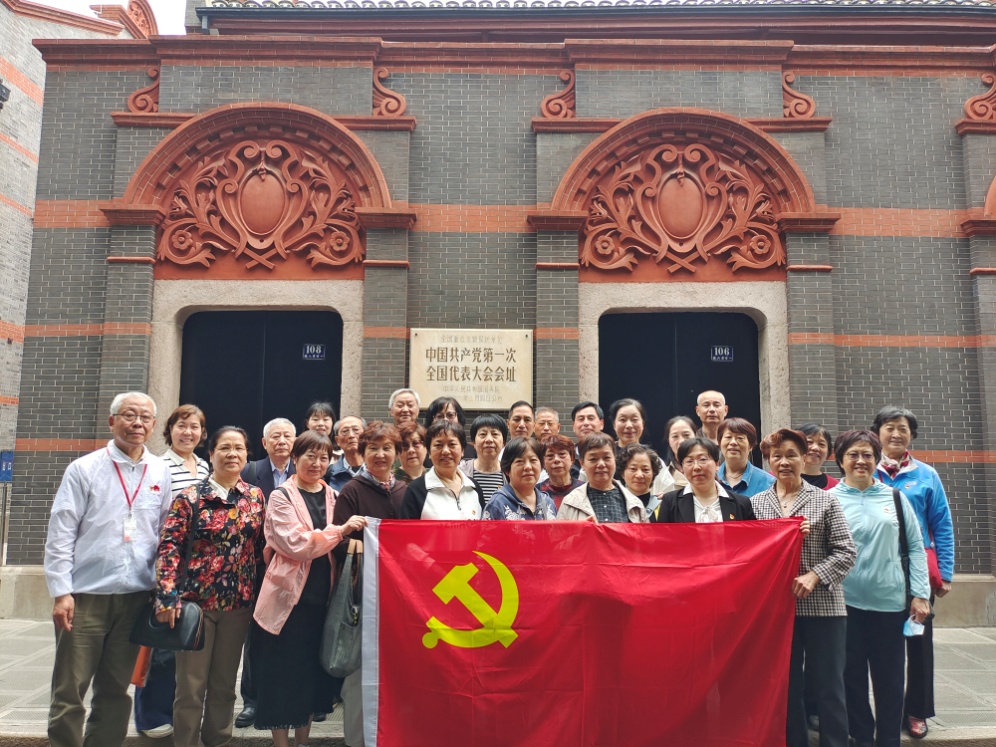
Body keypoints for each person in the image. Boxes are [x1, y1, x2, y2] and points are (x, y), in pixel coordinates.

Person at [45, 392, 172, 747]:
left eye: (145, 418)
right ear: (112, 421)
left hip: (135, 598)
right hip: (85, 598)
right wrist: (61, 592)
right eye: (129, 415)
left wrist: (164, 589)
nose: (137, 423)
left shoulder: (159, 471)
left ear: (153, 425)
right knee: (70, 690)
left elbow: (166, 533)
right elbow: (61, 532)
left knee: (116, 690)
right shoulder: (84, 469)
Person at [253, 430, 367, 747]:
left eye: (323, 457)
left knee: (309, 679)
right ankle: (281, 744)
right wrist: (339, 531)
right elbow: (296, 544)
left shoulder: (334, 497)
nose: (317, 463)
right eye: (310, 456)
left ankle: (302, 741)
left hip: (323, 602)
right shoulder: (281, 496)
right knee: (281, 678)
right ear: (295, 458)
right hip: (286, 604)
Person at [155, 426, 265, 747]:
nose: (232, 454)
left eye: (239, 448)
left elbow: (260, 549)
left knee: (224, 685)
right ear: (211, 454)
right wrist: (167, 597)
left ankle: (218, 739)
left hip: (238, 606)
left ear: (246, 454)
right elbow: (169, 548)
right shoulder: (190, 498)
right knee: (191, 687)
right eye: (225, 448)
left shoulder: (255, 497)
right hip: (195, 607)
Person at [752, 429, 856, 747]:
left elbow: (846, 551)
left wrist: (815, 575)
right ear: (768, 462)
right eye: (777, 456)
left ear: (803, 458)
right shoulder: (756, 504)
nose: (784, 462)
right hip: (779, 611)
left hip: (824, 608)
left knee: (829, 686)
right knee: (787, 686)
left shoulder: (825, 500)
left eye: (791, 455)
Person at [831, 430, 931, 747]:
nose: (860, 461)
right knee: (851, 678)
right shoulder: (830, 499)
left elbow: (915, 547)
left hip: (889, 603)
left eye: (868, 455)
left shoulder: (895, 498)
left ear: (876, 459)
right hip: (843, 604)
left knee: (890, 679)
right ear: (840, 460)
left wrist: (920, 594)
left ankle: (888, 738)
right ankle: (862, 736)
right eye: (853, 454)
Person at [872, 406, 954, 740]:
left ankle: (917, 710)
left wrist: (945, 573)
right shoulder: (865, 469)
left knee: (918, 643)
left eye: (903, 429)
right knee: (880, 644)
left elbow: (942, 524)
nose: (895, 434)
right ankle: (886, 710)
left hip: (916, 571)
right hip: (875, 570)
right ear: (877, 432)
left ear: (911, 436)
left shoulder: (926, 475)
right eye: (889, 427)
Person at [135, 404, 210, 740]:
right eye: (181, 425)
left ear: (202, 433)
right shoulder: (159, 466)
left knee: (186, 638)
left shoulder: (205, 467)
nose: (188, 432)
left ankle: (179, 710)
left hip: (198, 568)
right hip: (168, 562)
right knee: (160, 641)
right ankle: (150, 714)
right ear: (169, 430)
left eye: (194, 427)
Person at [333, 421, 408, 747]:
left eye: (387, 448)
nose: (380, 454)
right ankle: (355, 740)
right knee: (359, 673)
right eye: (373, 448)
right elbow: (338, 543)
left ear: (397, 453)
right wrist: (367, 548)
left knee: (396, 672)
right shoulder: (352, 491)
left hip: (400, 598)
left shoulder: (405, 491)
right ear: (363, 453)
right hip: (363, 596)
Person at [235, 416, 297, 730]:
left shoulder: (304, 470)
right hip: (259, 568)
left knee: (292, 634)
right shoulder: (249, 471)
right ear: (264, 442)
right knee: (257, 635)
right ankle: (252, 700)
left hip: (295, 568)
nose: (281, 441)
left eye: (287, 436)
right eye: (275, 436)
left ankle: (290, 698)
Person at [653, 436, 755, 523]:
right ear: (682, 467)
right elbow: (663, 538)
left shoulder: (741, 503)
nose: (696, 467)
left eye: (702, 459)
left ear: (717, 464)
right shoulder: (670, 502)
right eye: (689, 461)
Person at [400, 420, 486, 519]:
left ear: (462, 450)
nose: (445, 451)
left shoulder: (474, 488)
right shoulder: (416, 490)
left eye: (452, 444)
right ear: (429, 452)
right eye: (438, 445)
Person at [558, 432, 647, 523]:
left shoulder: (635, 504)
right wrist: (579, 530)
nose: (601, 464)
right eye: (593, 459)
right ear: (582, 463)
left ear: (614, 459)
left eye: (606, 457)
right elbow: (558, 532)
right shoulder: (570, 502)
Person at [608, 398, 675, 496]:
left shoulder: (653, 459)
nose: (629, 425)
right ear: (614, 424)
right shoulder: (606, 457)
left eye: (634, 420)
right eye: (623, 420)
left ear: (642, 424)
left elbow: (668, 491)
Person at [485, 437, 557, 520]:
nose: (528, 467)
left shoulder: (548, 502)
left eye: (533, 460)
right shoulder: (497, 504)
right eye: (520, 461)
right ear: (507, 469)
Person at [716, 417, 775, 496]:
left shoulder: (768, 482)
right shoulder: (710, 479)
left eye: (740, 438)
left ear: (750, 446)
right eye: (728, 437)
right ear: (719, 443)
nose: (733, 442)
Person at [459, 414, 508, 503]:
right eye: (483, 434)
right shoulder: (460, 472)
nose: (489, 439)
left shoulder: (510, 473)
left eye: (495, 434)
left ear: (503, 443)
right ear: (473, 442)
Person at [616, 442, 664, 515]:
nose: (639, 475)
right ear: (622, 473)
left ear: (653, 473)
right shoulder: (615, 505)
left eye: (645, 470)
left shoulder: (663, 504)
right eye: (633, 469)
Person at [537, 434, 583, 509]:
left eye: (562, 454)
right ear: (543, 462)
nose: (556, 459)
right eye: (550, 455)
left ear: (572, 458)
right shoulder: (536, 492)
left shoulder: (584, 490)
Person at [328, 416, 366, 492]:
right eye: (345, 431)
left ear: (365, 435)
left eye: (356, 430)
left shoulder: (376, 471)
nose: (351, 435)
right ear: (337, 440)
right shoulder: (329, 474)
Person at [799, 423, 839, 491]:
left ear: (828, 453)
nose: (815, 448)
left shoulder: (835, 487)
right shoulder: (780, 480)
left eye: (821, 444)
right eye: (809, 442)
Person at [662, 415, 696, 490]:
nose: (681, 441)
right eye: (675, 436)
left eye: (686, 435)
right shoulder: (663, 475)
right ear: (668, 440)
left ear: (695, 436)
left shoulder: (708, 467)